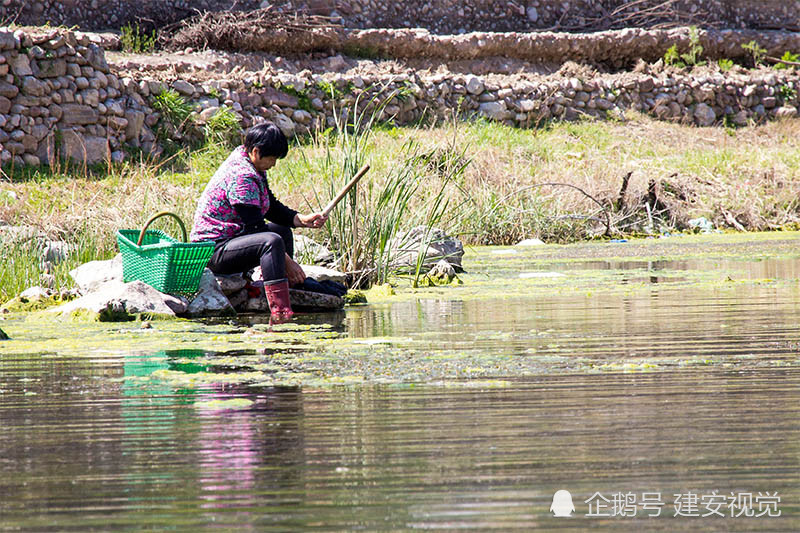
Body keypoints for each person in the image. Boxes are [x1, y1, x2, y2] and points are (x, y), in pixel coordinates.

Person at [190, 122, 328, 317]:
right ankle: (280, 309)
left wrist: (301, 220)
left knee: (280, 229)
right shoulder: (241, 176)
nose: (274, 164)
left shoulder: (250, 163)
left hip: (233, 239)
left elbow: (269, 206)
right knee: (271, 242)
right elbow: (255, 228)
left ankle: (280, 286)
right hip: (213, 250)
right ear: (256, 151)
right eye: (272, 158)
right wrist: (287, 262)